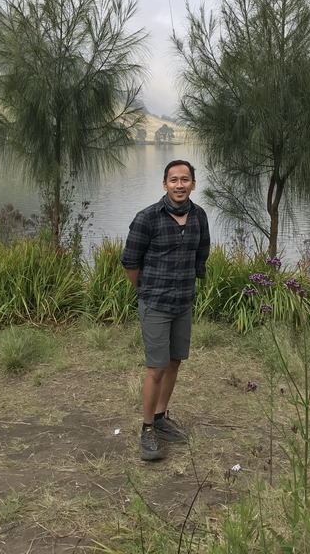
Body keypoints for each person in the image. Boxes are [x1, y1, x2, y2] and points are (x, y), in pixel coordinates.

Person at [121, 159, 210, 460]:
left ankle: (160, 418)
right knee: (157, 368)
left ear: (193, 184)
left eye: (185, 179)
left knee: (174, 362)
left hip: (183, 302)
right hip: (155, 303)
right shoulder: (147, 218)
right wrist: (145, 291)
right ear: (165, 184)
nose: (179, 185)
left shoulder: (199, 216)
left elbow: (202, 253)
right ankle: (147, 429)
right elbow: (130, 261)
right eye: (174, 180)